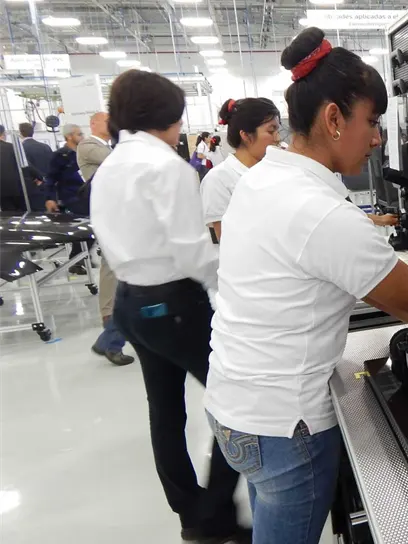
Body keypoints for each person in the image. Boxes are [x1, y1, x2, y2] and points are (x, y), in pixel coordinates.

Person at [205, 27, 408, 544]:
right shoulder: (316, 209)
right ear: (334, 118)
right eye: (373, 121)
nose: (378, 137)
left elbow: (340, 279)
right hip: (286, 425)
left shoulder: (265, 180)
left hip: (237, 404)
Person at [89, 70, 248, 544]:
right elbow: (190, 251)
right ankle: (217, 513)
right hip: (173, 303)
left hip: (131, 303)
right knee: (236, 399)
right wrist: (235, 285)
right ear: (170, 117)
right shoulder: (168, 167)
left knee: (165, 411)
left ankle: (191, 515)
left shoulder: (111, 165)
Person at [78, 112, 134, 367]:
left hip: (119, 214)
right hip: (110, 216)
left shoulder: (110, 146)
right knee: (119, 274)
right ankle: (110, 337)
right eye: (106, 120)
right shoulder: (89, 145)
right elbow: (120, 163)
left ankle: (111, 338)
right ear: (93, 123)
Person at [201, 98, 280, 240]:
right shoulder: (218, 180)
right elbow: (226, 240)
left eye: (277, 130)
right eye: (271, 131)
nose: (277, 138)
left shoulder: (275, 170)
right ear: (246, 135)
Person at [45, 123, 90, 274]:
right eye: (79, 134)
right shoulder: (60, 155)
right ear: (69, 136)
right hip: (71, 197)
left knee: (91, 229)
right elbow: (51, 178)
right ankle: (77, 261)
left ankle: (81, 259)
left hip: (87, 195)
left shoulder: (83, 153)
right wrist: (50, 198)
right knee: (84, 229)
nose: (82, 136)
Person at [0, 125, 27, 212]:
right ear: (3, 134)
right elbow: (25, 164)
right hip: (15, 187)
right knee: (20, 213)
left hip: (1, 190)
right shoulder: (12, 147)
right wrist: (39, 177)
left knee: (7, 213)